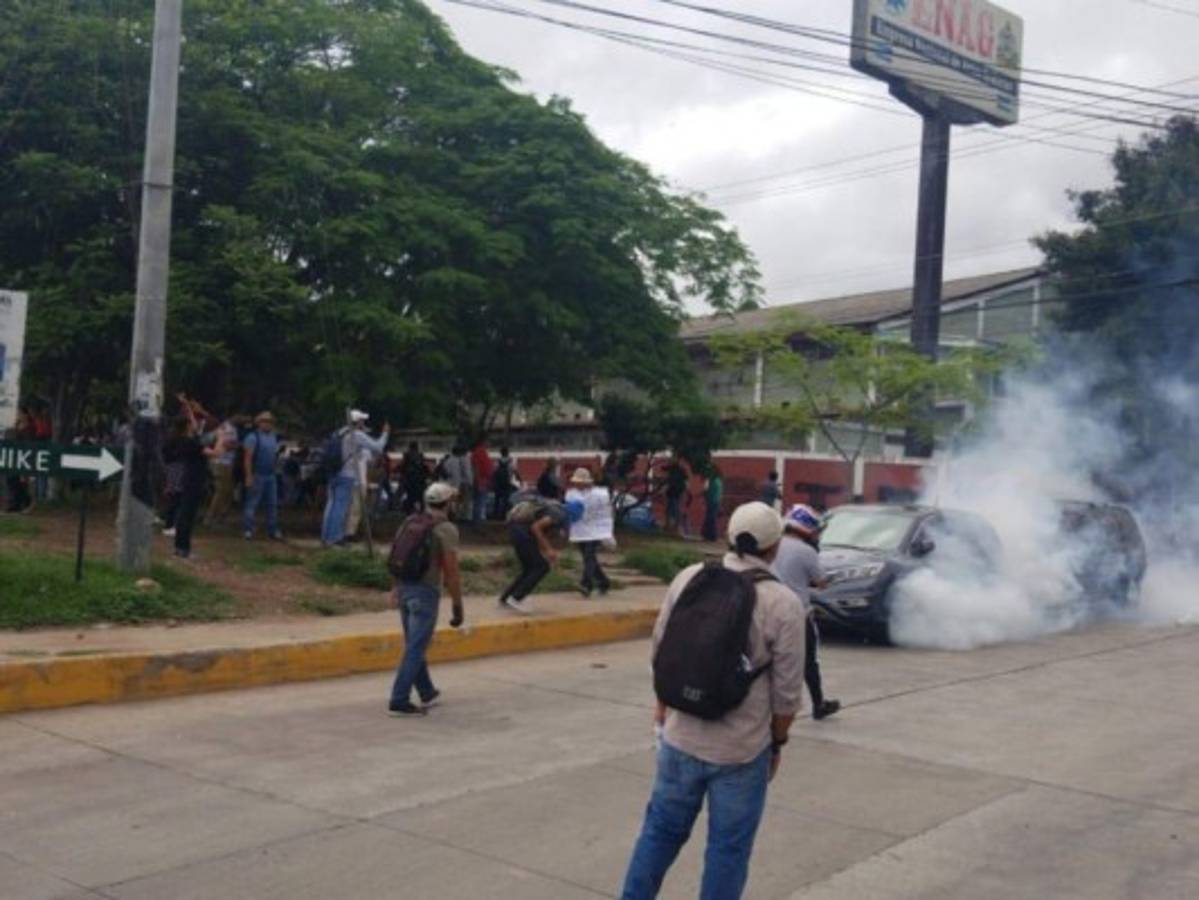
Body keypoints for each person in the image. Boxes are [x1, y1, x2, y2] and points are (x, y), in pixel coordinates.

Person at [621, 502, 806, 900]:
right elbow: (787, 694)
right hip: (741, 751)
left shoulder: (689, 578)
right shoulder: (784, 603)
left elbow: (661, 651)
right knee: (728, 850)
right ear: (775, 548)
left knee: (659, 833)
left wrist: (662, 710)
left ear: (728, 537)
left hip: (679, 737)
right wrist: (777, 743)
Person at [388, 482, 465, 717]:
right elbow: (451, 571)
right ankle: (399, 699)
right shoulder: (447, 529)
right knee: (415, 648)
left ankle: (426, 691)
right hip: (426, 592)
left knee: (414, 643)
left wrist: (395, 588)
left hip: (405, 588)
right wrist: (457, 604)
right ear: (448, 503)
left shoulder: (410, 521)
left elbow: (396, 554)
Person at [772, 504, 841, 721]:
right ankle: (818, 704)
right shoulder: (807, 551)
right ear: (808, 529)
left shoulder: (772, 544)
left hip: (770, 609)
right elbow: (820, 582)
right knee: (808, 662)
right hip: (798, 614)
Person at [321, 410, 389, 546]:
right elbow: (378, 447)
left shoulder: (339, 433)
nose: (363, 423)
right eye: (362, 420)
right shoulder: (356, 435)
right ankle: (334, 538)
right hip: (347, 475)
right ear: (357, 422)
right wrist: (385, 433)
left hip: (334, 473)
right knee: (341, 508)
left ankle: (326, 536)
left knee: (331, 506)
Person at [499, 495, 569, 614]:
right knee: (542, 567)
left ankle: (506, 598)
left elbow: (540, 534)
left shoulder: (551, 509)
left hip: (515, 530)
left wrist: (546, 550)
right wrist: (548, 550)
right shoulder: (559, 515)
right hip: (522, 533)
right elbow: (536, 528)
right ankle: (517, 598)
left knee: (530, 568)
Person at [167, 399, 213, 560]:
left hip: (189, 479)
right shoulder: (191, 443)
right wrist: (222, 441)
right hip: (193, 481)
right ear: (187, 427)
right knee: (187, 515)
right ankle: (182, 548)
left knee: (184, 514)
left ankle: (181, 548)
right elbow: (214, 453)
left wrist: (187, 405)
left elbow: (192, 422)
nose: (195, 424)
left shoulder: (183, 439)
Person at [565, 467, 613, 597]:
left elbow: (606, 512)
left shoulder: (599, 494)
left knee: (588, 555)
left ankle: (586, 584)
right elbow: (570, 512)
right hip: (580, 530)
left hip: (596, 529)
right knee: (589, 557)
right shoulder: (572, 494)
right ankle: (603, 581)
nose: (577, 484)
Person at [242, 411, 283, 541]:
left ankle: (272, 529)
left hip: (270, 474)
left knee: (272, 504)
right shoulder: (253, 437)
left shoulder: (273, 436)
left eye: (270, 422)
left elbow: (274, 454)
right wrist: (248, 476)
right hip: (257, 474)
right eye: (265, 421)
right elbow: (247, 458)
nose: (268, 424)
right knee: (252, 503)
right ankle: (248, 529)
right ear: (259, 423)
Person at [203, 413, 241, 525]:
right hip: (222, 462)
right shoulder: (227, 428)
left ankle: (219, 516)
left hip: (226, 462)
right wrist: (238, 445)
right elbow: (226, 445)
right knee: (221, 491)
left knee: (227, 491)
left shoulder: (230, 428)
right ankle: (211, 517)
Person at [444, 443, 474, 522]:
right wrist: (470, 482)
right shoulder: (461, 460)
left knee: (453, 502)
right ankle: (462, 517)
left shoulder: (448, 460)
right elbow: (466, 472)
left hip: (450, 483)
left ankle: (453, 516)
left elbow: (446, 472)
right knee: (463, 501)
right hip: (459, 484)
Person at [470, 438, 495, 524]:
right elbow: (476, 467)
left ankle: (478, 520)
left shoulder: (483, 452)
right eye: (488, 441)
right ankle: (477, 521)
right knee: (479, 502)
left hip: (484, 480)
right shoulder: (478, 452)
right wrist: (479, 480)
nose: (489, 443)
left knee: (481, 501)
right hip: (481, 480)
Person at [401, 441, 428, 514]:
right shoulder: (420, 455)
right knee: (420, 496)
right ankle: (421, 510)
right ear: (417, 447)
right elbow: (424, 467)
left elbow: (403, 467)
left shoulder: (406, 455)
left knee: (410, 495)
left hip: (409, 479)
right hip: (419, 480)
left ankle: (409, 510)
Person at [664, 460, 690, 535]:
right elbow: (686, 482)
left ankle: (673, 527)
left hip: (673, 492)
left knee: (672, 510)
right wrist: (687, 491)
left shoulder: (673, 471)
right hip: (678, 492)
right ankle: (673, 526)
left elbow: (668, 479)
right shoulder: (682, 471)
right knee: (675, 509)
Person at [491, 446, 515, 521]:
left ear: (501, 453)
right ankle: (503, 515)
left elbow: (494, 473)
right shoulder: (511, 462)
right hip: (507, 483)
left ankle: (495, 515)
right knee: (506, 500)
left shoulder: (497, 462)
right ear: (507, 453)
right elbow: (514, 471)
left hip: (498, 484)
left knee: (497, 500)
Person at [702, 464, 724, 543]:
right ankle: (711, 535)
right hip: (716, 501)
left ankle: (709, 535)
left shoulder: (710, 480)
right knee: (712, 518)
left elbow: (705, 490)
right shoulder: (718, 480)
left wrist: (704, 498)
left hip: (711, 501)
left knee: (710, 518)